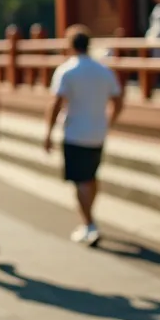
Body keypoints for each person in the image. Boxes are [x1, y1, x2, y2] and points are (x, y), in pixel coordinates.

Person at [43, 25, 124, 246]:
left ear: (69, 45)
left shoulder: (66, 71)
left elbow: (56, 103)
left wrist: (48, 132)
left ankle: (89, 223)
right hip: (97, 131)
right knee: (91, 175)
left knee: (80, 180)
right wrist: (109, 120)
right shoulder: (103, 70)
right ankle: (89, 218)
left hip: (74, 132)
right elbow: (118, 100)